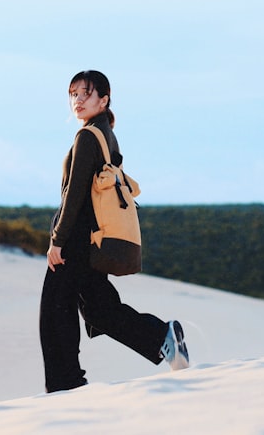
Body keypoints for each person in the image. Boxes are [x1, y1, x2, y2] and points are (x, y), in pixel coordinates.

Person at [39, 69, 189, 393]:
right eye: (73, 94)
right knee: (99, 309)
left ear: (104, 99)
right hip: (93, 238)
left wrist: (57, 241)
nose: (78, 100)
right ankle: (162, 336)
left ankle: (66, 384)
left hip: (76, 239)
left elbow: (75, 194)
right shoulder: (106, 133)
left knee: (55, 310)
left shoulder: (86, 137)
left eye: (86, 94)